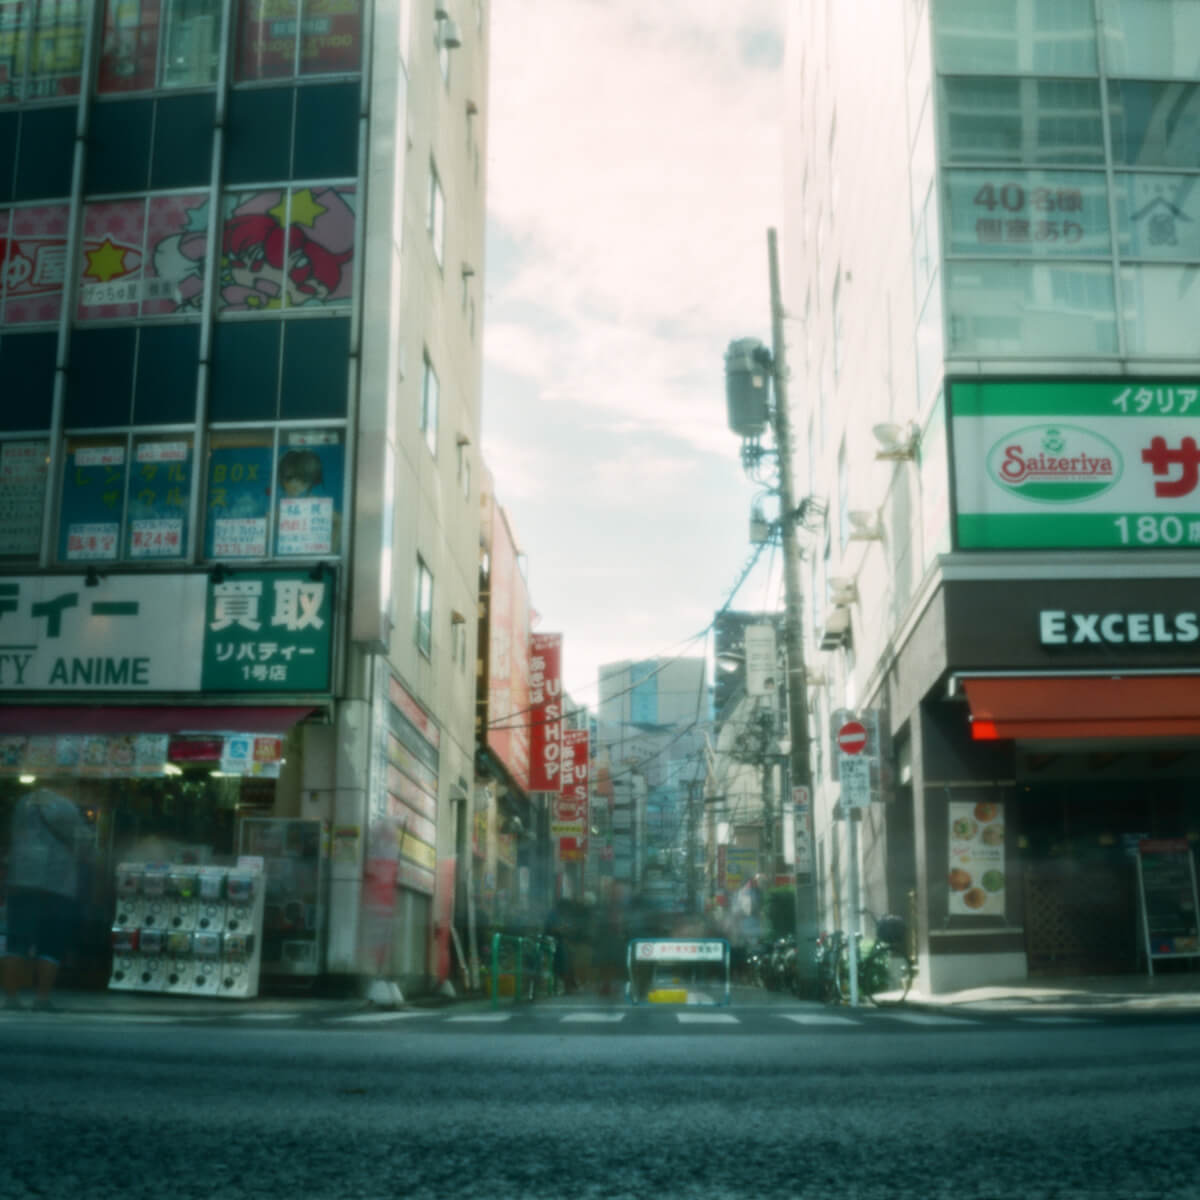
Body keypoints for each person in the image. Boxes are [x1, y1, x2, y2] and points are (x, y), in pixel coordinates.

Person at [3, 788, 91, 1012]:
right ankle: (42, 999)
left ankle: (10, 998)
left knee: (16, 943)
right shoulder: (66, 806)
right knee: (51, 945)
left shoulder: (23, 803)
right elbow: (82, 843)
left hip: (22, 882)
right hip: (56, 884)